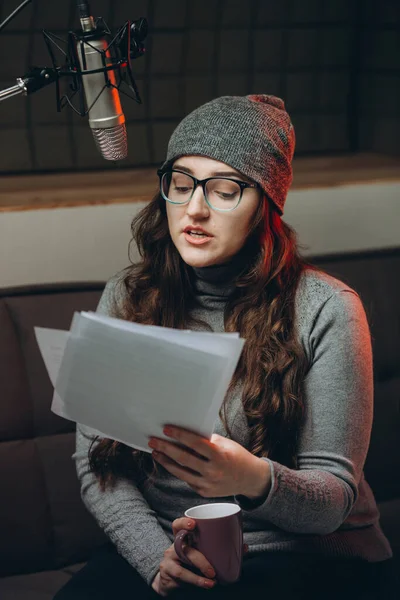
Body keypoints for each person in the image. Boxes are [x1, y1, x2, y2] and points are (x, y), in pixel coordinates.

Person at [54, 94, 396, 600]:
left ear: (266, 205)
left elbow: (332, 500)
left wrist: (250, 478)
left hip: (305, 557)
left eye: (224, 190)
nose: (194, 208)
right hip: (175, 548)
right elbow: (97, 463)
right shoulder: (126, 297)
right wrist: (155, 560)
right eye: (182, 183)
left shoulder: (329, 309)